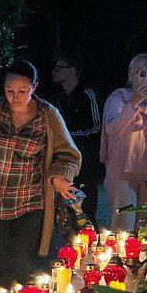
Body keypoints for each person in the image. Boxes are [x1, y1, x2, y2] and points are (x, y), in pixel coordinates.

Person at [0, 61, 81, 286]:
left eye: (22, 91)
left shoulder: (48, 115)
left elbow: (69, 154)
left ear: (34, 87)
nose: (14, 97)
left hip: (31, 201)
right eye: (9, 90)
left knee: (23, 261)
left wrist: (59, 177)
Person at [101, 53, 147, 232]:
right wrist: (135, 101)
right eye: (138, 69)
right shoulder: (119, 97)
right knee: (123, 224)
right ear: (130, 74)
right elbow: (114, 129)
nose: (143, 72)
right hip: (122, 170)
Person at [46, 55, 102, 225]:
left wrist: (66, 137)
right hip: (67, 163)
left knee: (86, 207)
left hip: (85, 161)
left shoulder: (86, 94)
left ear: (72, 71)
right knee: (68, 208)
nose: (54, 72)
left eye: (60, 68)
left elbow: (96, 127)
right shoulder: (59, 98)